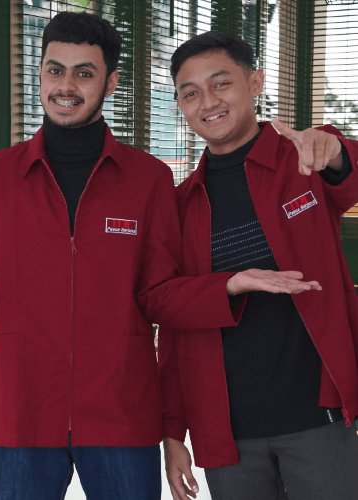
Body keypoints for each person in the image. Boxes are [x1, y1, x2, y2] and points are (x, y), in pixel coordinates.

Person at [0, 16, 318, 500]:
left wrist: (228, 285)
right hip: (20, 410)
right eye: (55, 70)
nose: (66, 86)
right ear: (39, 74)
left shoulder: (148, 179)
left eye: (84, 73)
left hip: (121, 409)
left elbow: (160, 295)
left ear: (110, 82)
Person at [160, 30, 358, 500]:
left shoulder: (304, 160)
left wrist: (337, 153)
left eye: (221, 83)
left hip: (320, 419)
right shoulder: (180, 205)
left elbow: (347, 171)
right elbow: (172, 322)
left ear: (255, 82)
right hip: (228, 433)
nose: (208, 102)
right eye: (190, 93)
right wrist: (173, 433)